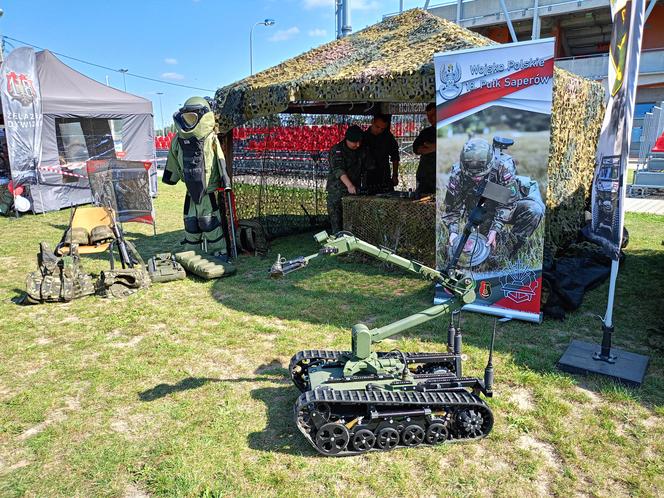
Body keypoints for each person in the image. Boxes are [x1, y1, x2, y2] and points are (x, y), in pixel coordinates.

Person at [442, 137, 544, 256]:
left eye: (481, 174)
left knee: (534, 210)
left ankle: (509, 249)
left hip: (506, 203)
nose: (477, 178)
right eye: (472, 176)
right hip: (481, 209)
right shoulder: (457, 174)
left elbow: (508, 202)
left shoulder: (503, 166)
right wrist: (453, 232)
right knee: (483, 248)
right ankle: (494, 247)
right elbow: (452, 210)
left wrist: (495, 228)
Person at [163, 96, 231, 256]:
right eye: (187, 116)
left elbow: (220, 159)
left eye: (193, 116)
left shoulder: (210, 138)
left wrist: (225, 180)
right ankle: (191, 252)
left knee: (209, 222)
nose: (189, 120)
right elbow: (172, 159)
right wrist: (170, 177)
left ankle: (219, 251)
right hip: (190, 192)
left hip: (208, 191)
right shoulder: (178, 140)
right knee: (190, 222)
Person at [326, 125, 367, 234]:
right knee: (337, 221)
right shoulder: (337, 150)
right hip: (337, 191)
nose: (357, 145)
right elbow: (338, 170)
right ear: (347, 139)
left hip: (353, 192)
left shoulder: (360, 150)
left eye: (359, 142)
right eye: (354, 142)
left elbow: (366, 168)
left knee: (352, 221)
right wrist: (349, 185)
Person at [362, 114, 400, 194]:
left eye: (382, 129)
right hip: (368, 177)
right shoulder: (363, 137)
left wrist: (395, 175)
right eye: (377, 127)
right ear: (372, 122)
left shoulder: (387, 137)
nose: (379, 130)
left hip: (384, 176)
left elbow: (395, 156)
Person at [412, 103, 437, 195]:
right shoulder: (426, 133)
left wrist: (434, 147)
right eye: (428, 116)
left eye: (433, 115)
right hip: (425, 178)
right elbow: (416, 148)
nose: (430, 119)